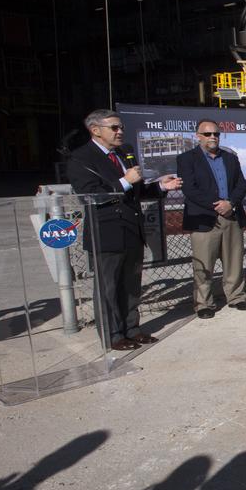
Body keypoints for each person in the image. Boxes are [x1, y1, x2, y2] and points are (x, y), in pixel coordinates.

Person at [67, 109, 182, 350]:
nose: (120, 132)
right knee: (108, 288)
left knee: (131, 285)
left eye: (121, 128)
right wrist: (124, 181)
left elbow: (136, 192)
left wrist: (161, 186)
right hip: (106, 233)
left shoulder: (124, 153)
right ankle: (113, 335)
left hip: (132, 230)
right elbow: (90, 195)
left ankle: (133, 329)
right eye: (114, 128)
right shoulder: (81, 158)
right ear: (96, 130)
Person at [176, 119, 246, 319]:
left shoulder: (230, 158)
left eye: (216, 134)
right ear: (198, 136)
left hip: (231, 216)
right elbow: (190, 189)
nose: (213, 138)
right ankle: (204, 304)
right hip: (204, 219)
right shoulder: (186, 159)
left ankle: (236, 297)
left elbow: (241, 185)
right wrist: (217, 205)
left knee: (234, 261)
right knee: (203, 265)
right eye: (208, 134)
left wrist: (230, 204)